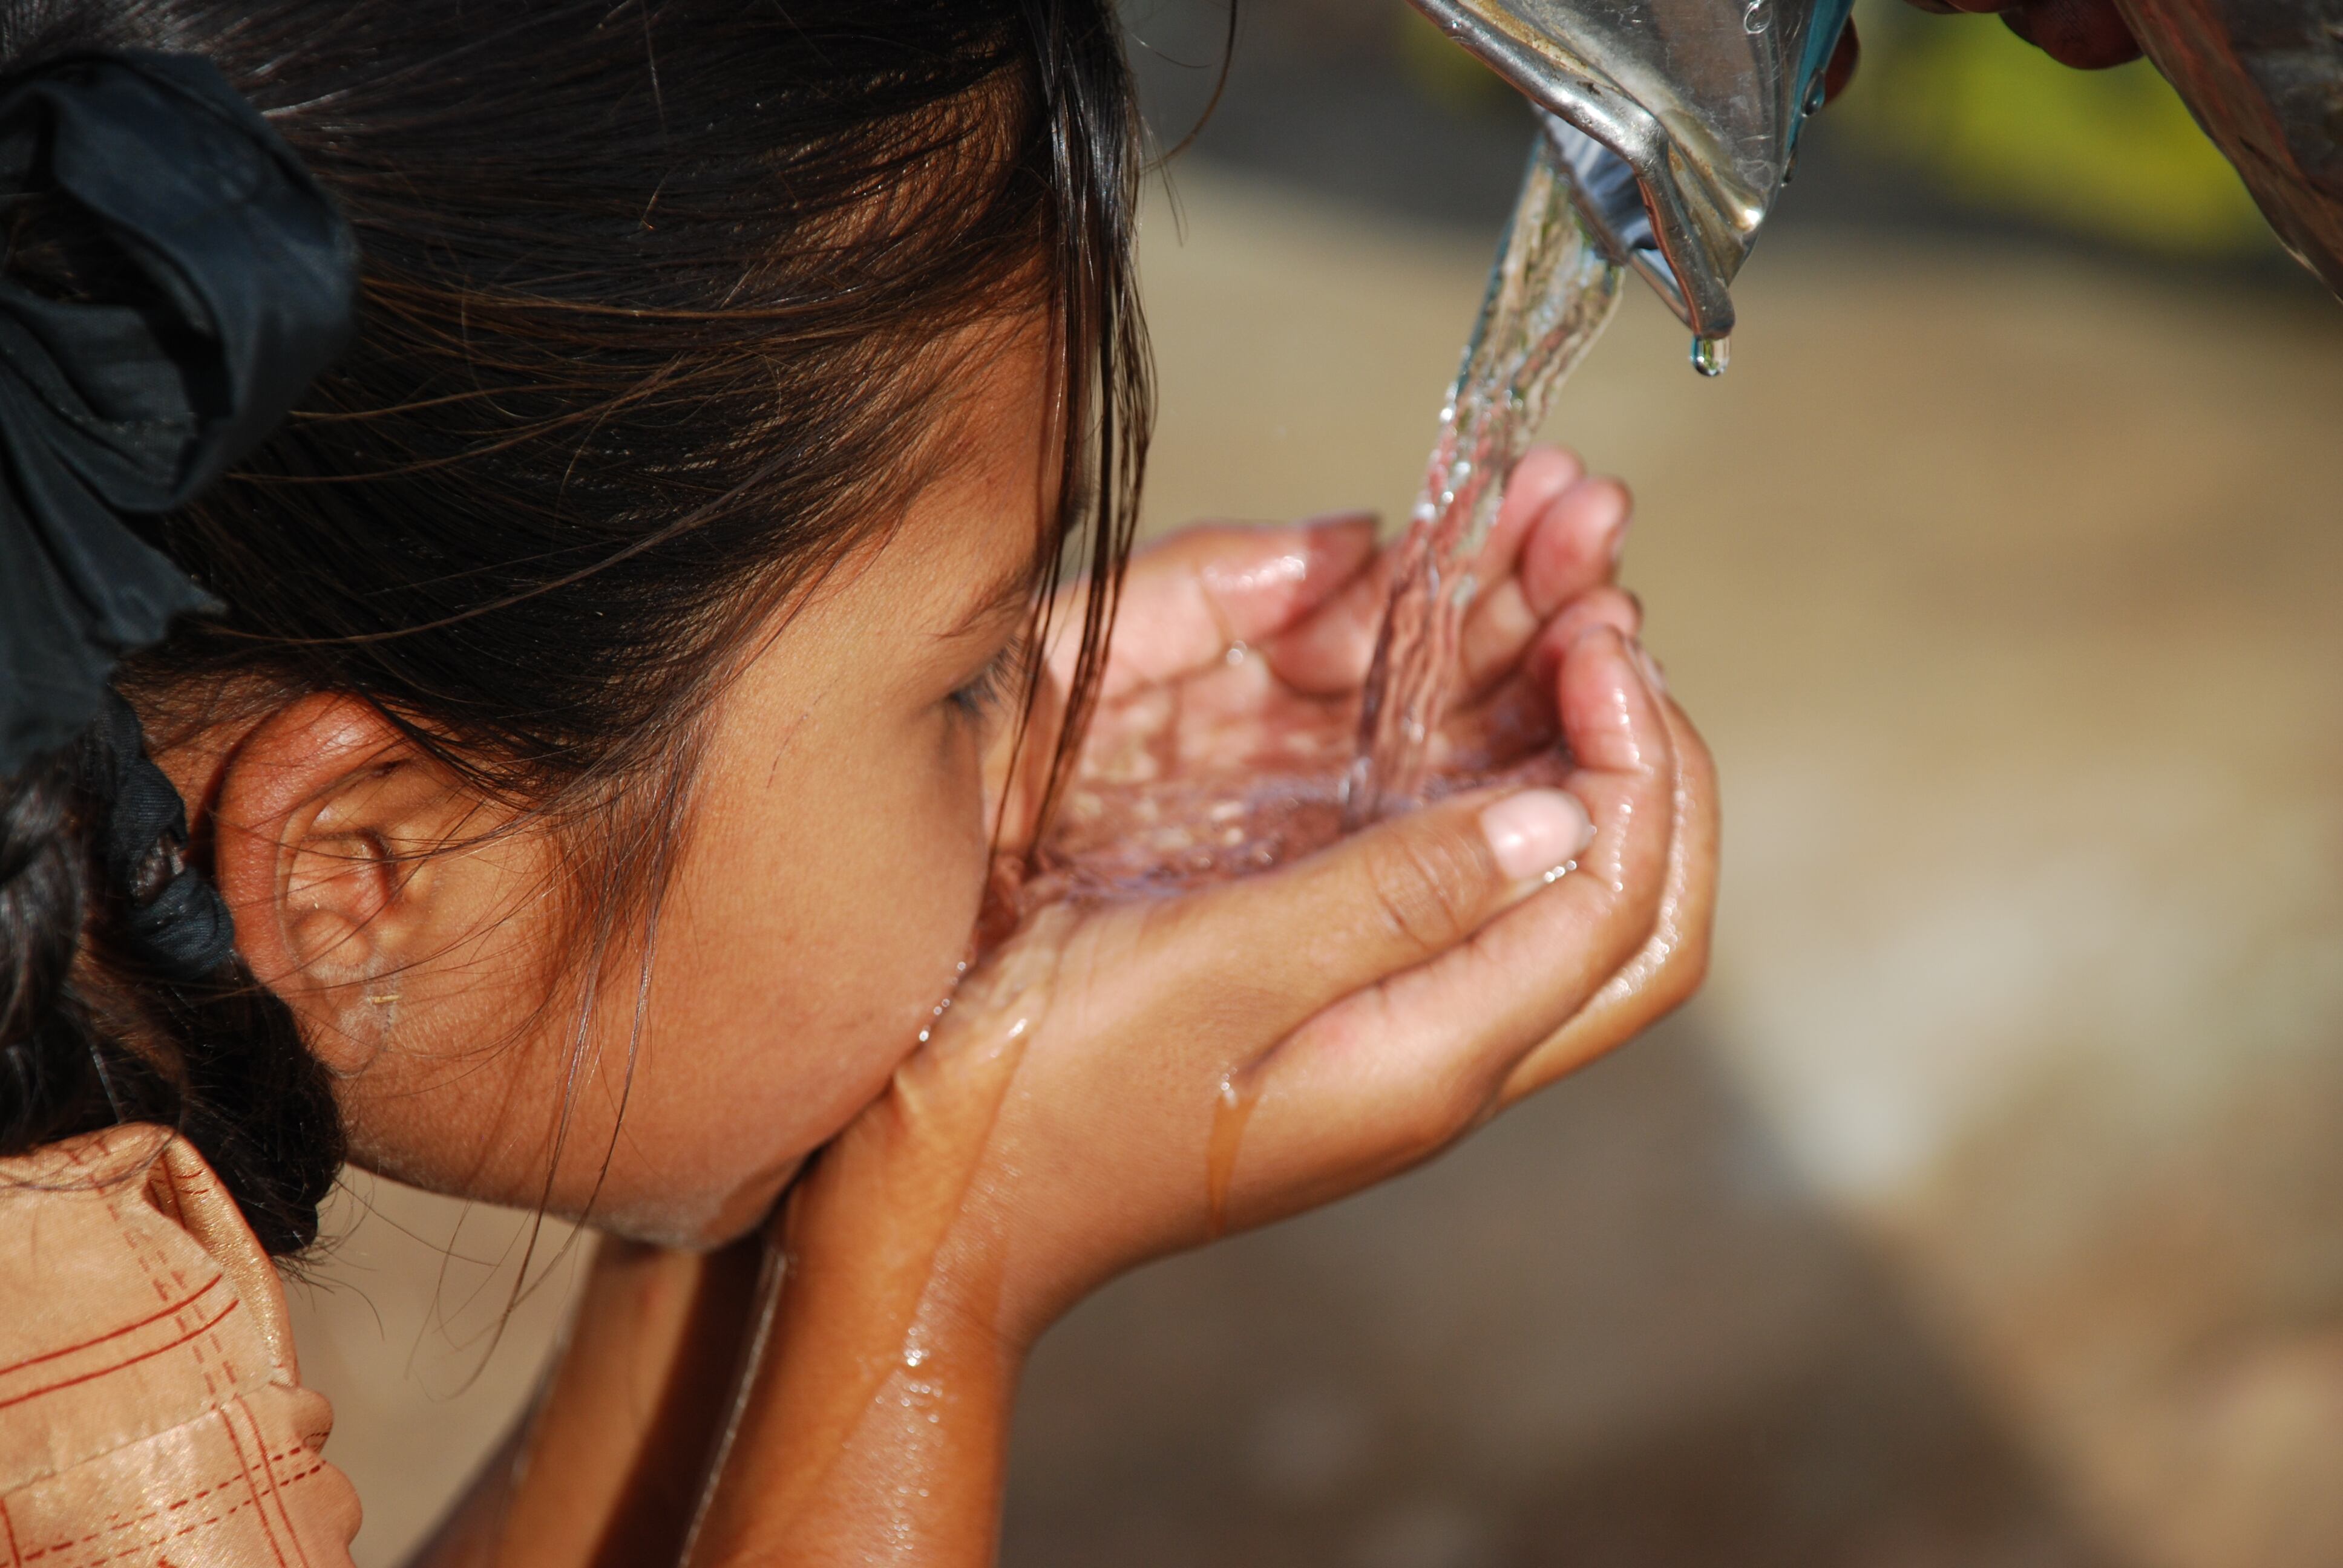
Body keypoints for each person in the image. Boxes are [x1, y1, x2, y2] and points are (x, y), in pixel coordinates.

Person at [0, 4, 1717, 1563]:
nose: (1018, 759)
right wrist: (942, 1283)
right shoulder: (67, 1402)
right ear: (360, 875)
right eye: (969, 681)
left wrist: (819, 1193)